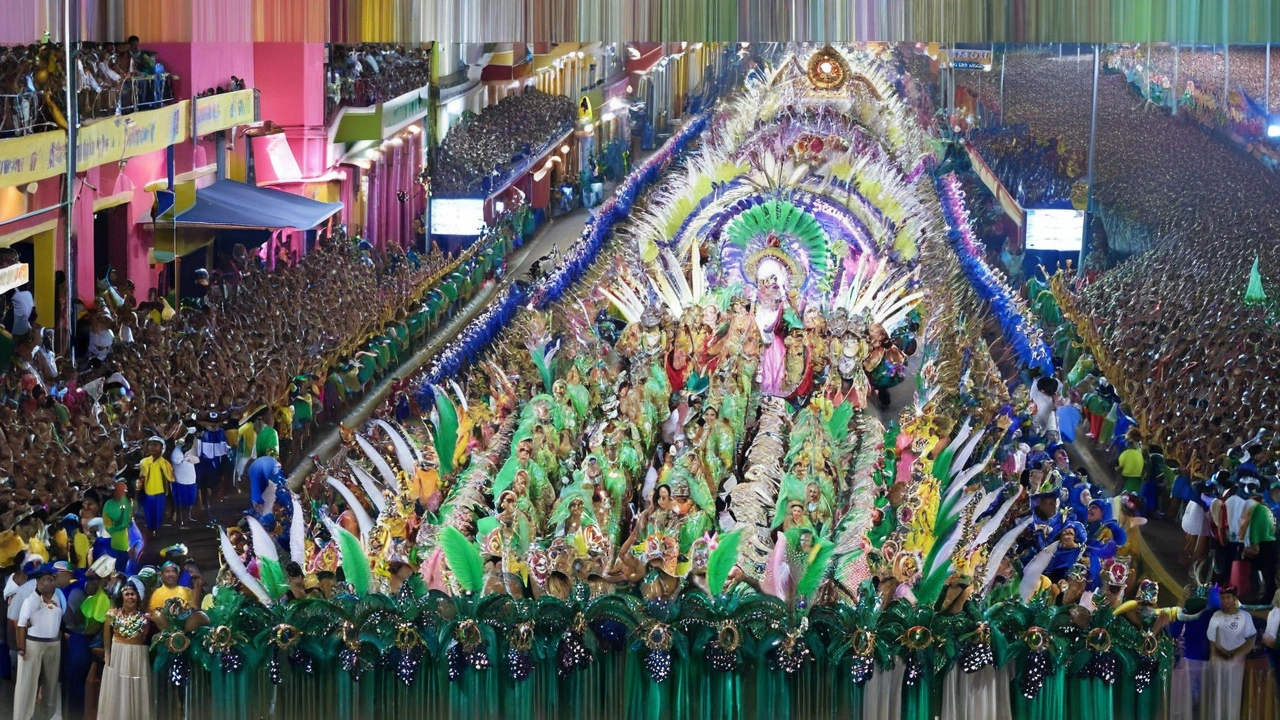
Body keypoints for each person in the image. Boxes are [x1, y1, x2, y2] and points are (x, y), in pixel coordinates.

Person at [14, 570, 64, 720]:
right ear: (38, 583)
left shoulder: (57, 598)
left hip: (53, 644)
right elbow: (21, 624)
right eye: (43, 580)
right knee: (27, 684)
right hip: (33, 644)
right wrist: (22, 647)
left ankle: (48, 716)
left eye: (50, 579)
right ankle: (22, 716)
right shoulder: (31, 600)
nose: (46, 583)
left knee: (51, 684)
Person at [99, 577, 151, 720]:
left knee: (136, 688)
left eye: (133, 594)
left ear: (138, 596)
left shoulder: (145, 618)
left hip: (138, 658)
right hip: (118, 656)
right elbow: (106, 639)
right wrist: (108, 657)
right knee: (118, 689)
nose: (130, 597)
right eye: (127, 594)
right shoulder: (112, 615)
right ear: (121, 596)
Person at [1203, 585, 1255, 720]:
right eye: (1222, 598)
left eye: (1228, 598)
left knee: (1233, 695)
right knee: (1218, 695)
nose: (1225, 601)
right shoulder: (1217, 615)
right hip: (1219, 661)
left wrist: (1236, 654)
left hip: (1236, 662)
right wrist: (1214, 656)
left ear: (1234, 598)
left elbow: (1251, 638)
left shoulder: (1245, 616)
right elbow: (1212, 638)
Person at [137, 436, 173, 538]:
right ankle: (150, 529)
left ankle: (156, 530)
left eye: (155, 445)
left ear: (162, 448)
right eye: (150, 445)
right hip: (148, 492)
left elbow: (170, 477)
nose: (152, 448)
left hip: (161, 492)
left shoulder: (165, 463)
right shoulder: (144, 462)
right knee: (149, 512)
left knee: (158, 513)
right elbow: (142, 477)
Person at [170, 431, 200, 527]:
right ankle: (180, 520)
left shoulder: (190, 451)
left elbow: (197, 460)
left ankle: (188, 518)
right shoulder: (177, 452)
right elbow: (177, 460)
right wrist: (187, 458)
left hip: (191, 481)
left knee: (189, 502)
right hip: (181, 482)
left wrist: (191, 457)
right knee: (180, 503)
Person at [101, 480, 134, 566]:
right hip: (113, 544)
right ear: (115, 492)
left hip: (125, 544)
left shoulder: (126, 502)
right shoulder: (109, 505)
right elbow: (110, 526)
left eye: (124, 492)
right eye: (121, 491)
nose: (123, 494)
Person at [1117, 429, 1146, 494]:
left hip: (1127, 482)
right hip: (1139, 482)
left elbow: (1120, 467)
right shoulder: (1141, 452)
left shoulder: (1125, 454)